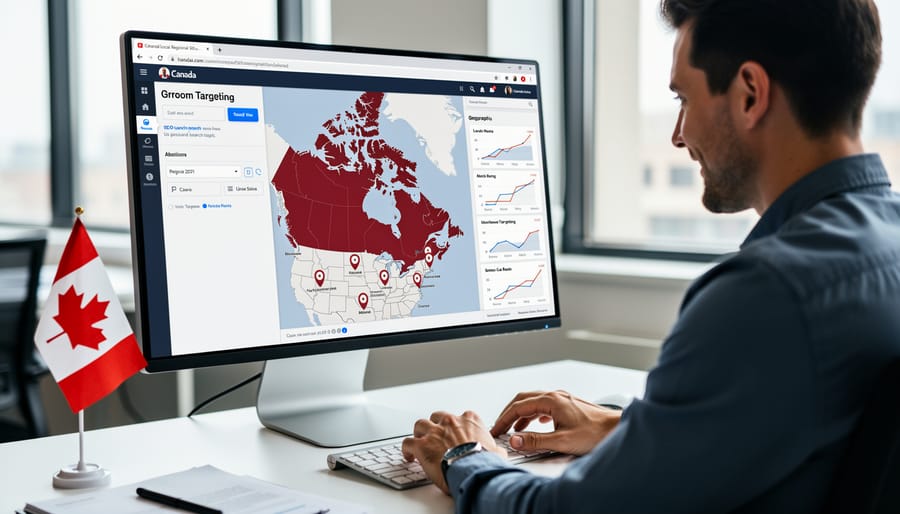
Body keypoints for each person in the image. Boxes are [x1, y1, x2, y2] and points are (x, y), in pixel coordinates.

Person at [401, 0, 900, 512]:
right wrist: (628, 429)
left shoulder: (766, 295)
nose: (678, 134)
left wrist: (465, 457)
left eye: (684, 98)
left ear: (750, 94)